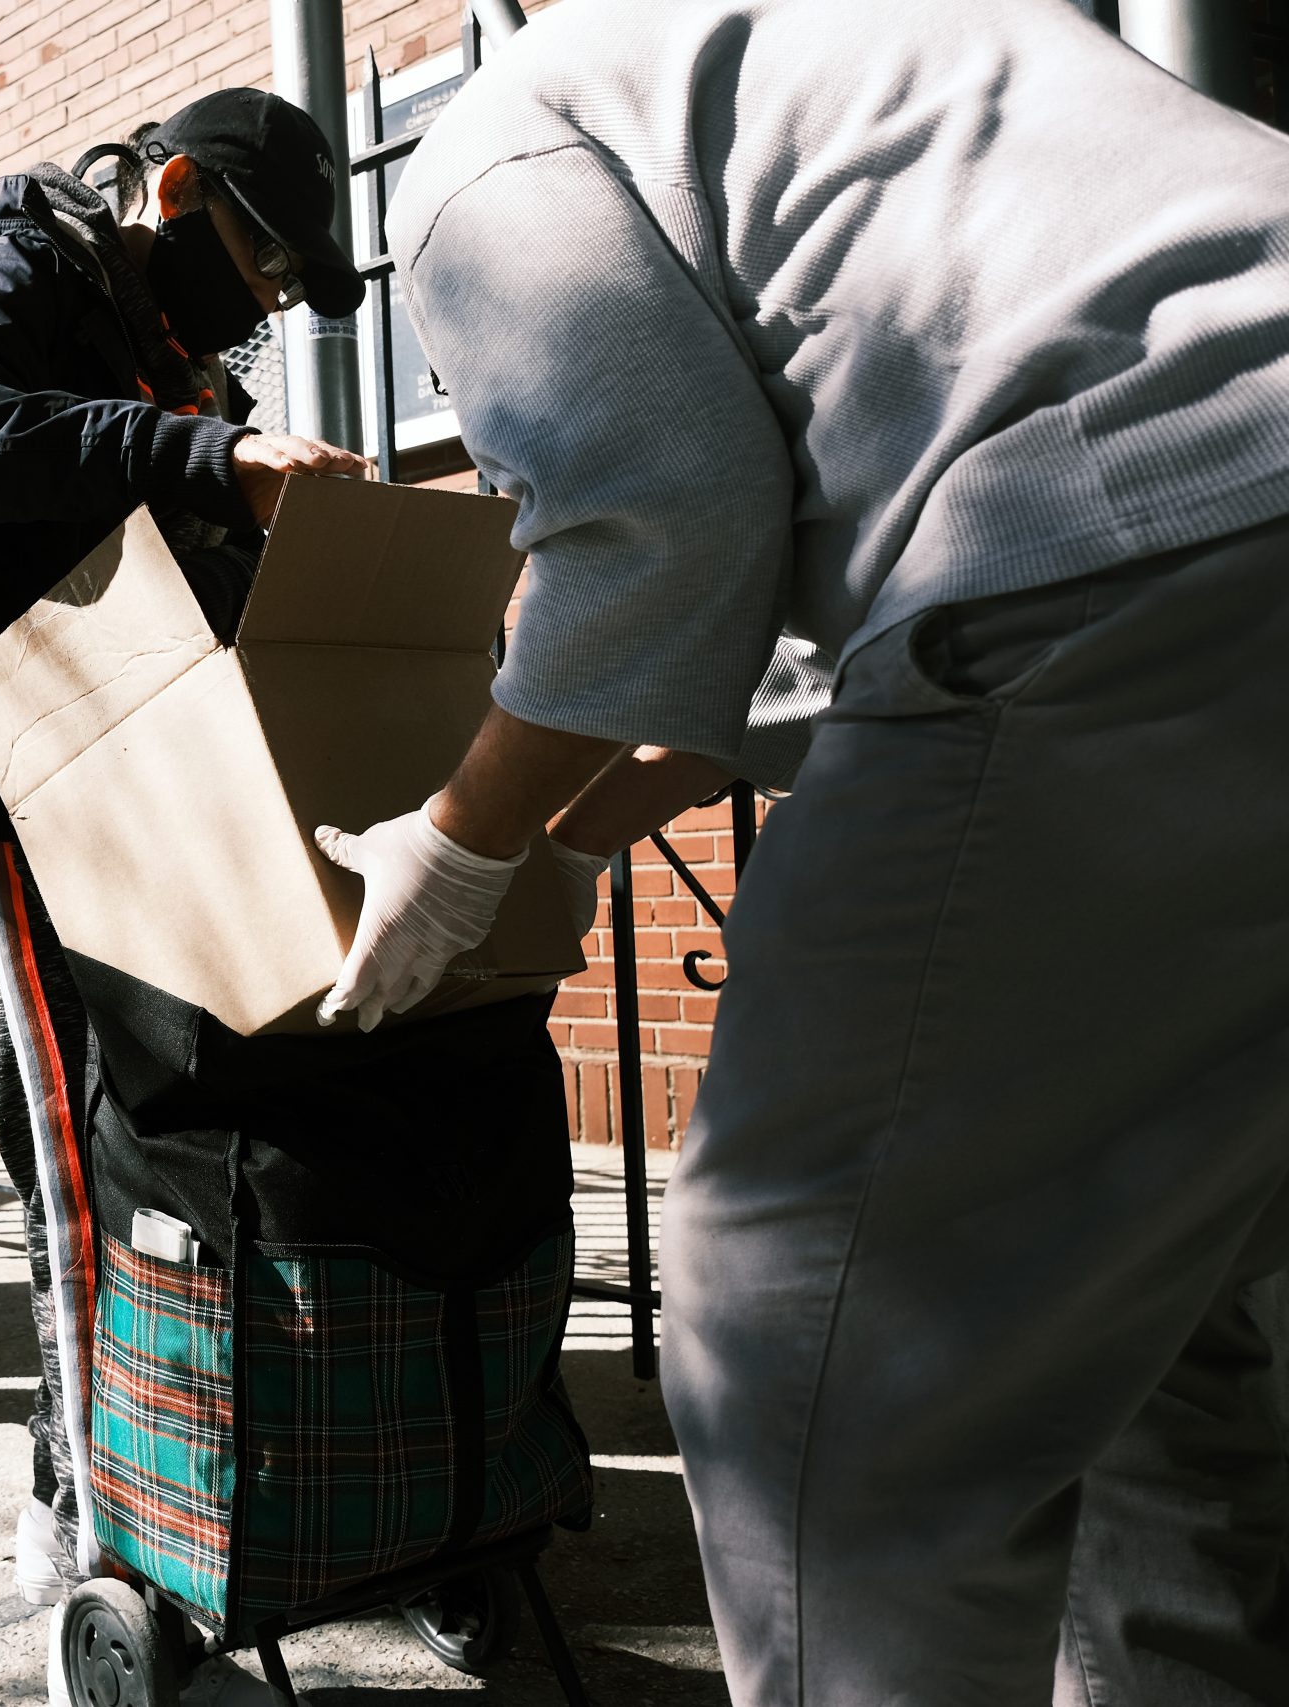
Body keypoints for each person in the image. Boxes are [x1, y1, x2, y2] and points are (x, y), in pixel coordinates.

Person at [368, 1, 1289, 1700]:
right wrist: (643, 761)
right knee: (1155, 1300)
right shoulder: (865, 41)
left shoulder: (493, 136)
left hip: (1142, 542)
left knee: (812, 1321)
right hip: (1220, 521)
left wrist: (459, 837)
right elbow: (856, 449)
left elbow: (655, 517)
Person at [0, 88, 374, 1607]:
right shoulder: (26, 250)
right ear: (170, 190)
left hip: (124, 734)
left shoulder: (182, 357)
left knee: (166, 1103)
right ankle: (77, 1483)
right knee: (70, 1135)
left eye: (289, 282)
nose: (271, 296)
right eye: (262, 256)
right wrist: (206, 462)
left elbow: (158, 519)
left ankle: (195, 1432)